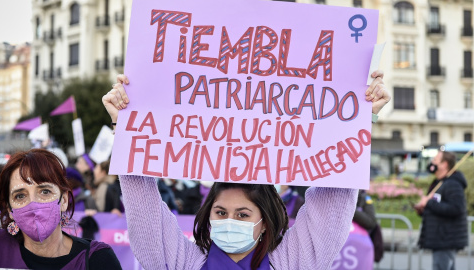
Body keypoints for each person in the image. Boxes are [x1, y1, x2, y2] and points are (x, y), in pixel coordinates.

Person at [101, 70, 390, 269]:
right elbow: (145, 211)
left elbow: (332, 204)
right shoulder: (183, 263)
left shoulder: (291, 262)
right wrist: (126, 127)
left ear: (264, 222)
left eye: (242, 215)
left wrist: (359, 119)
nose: (229, 221)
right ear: (208, 214)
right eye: (221, 212)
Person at [0, 149, 122, 269]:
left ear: (64, 200)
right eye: (20, 196)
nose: (33, 204)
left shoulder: (98, 260)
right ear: (10, 210)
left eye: (45, 191)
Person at [417, 151, 468, 270]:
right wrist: (423, 210)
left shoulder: (452, 184)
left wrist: (429, 202)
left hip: (446, 239)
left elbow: (456, 208)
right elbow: (437, 207)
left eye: (435, 160)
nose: (432, 163)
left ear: (444, 164)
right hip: (440, 239)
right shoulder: (439, 183)